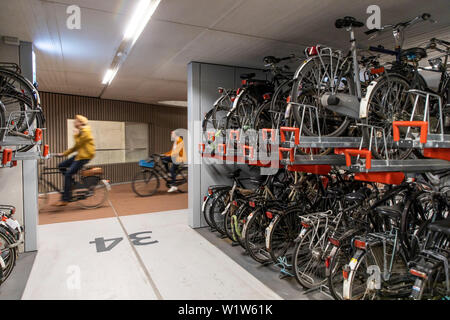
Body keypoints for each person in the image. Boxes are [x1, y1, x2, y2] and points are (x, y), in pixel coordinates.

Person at [55, 115, 96, 206]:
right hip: (79, 155)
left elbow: (79, 143)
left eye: (76, 121)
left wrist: (76, 135)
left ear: (81, 122)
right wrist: (63, 154)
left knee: (68, 174)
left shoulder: (86, 131)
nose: (74, 122)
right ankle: (72, 183)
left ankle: (65, 199)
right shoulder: (81, 131)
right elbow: (76, 147)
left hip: (85, 157)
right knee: (61, 165)